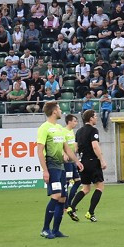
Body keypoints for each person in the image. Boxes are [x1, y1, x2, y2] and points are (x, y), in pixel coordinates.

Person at [36, 101, 78, 239]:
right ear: (54, 111)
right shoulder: (44, 128)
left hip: (61, 167)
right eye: (59, 108)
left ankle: (56, 230)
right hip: (52, 167)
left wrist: (77, 161)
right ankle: (45, 229)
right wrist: (45, 170)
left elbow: (66, 148)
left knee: (62, 198)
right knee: (56, 196)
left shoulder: (59, 128)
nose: (61, 111)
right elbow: (40, 151)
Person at [67, 109, 106, 222]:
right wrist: (102, 160)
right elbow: (95, 146)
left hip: (82, 162)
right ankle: (90, 212)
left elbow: (76, 148)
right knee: (99, 187)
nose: (97, 118)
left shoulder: (78, 131)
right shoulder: (94, 130)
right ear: (90, 118)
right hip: (93, 161)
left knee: (86, 188)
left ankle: (71, 207)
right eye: (95, 116)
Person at [62, 113, 81, 219]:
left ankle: (69, 203)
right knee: (67, 182)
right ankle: (65, 206)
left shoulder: (71, 131)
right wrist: (64, 154)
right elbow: (61, 145)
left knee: (78, 181)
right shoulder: (64, 131)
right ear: (69, 121)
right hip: (67, 161)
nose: (76, 123)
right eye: (75, 121)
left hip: (73, 160)